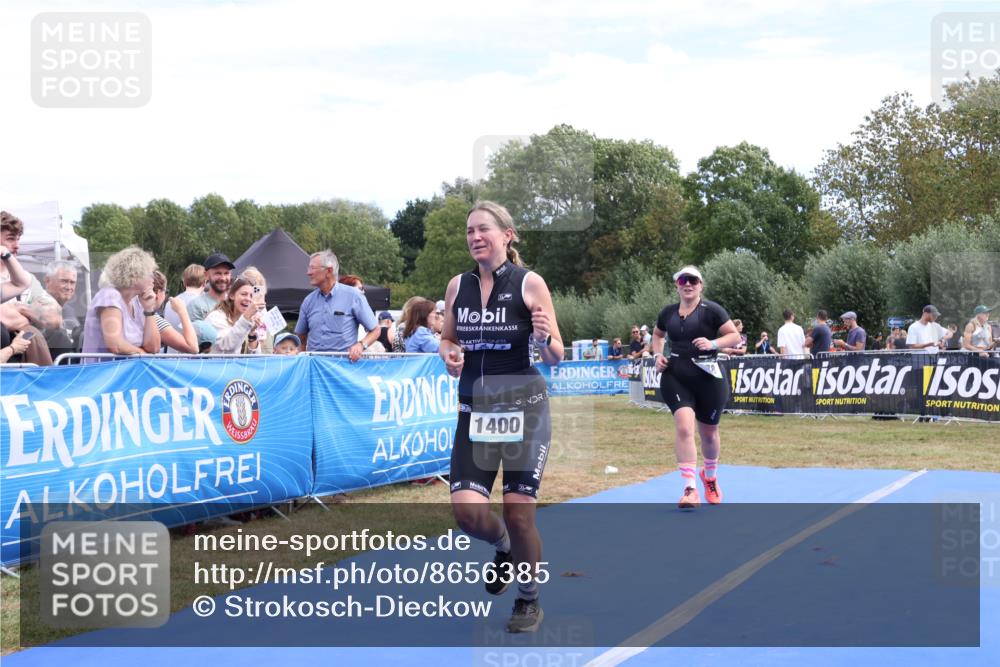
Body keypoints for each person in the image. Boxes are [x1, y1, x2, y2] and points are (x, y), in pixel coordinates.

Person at [439, 201, 563, 634]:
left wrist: (545, 338)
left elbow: (556, 355)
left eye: (483, 230)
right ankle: (504, 548)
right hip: (475, 412)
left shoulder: (530, 283)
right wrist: (450, 355)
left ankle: (528, 600)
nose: (474, 237)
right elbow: (448, 338)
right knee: (468, 513)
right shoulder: (458, 285)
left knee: (518, 511)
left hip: (524, 410)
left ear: (507, 235)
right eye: (469, 231)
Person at [651, 265, 741, 510]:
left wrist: (712, 342)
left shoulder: (712, 310)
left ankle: (709, 477)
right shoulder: (667, 312)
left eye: (693, 280)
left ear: (701, 285)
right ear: (677, 285)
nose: (687, 284)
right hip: (676, 375)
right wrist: (657, 355)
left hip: (708, 377)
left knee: (709, 433)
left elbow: (734, 336)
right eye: (683, 280)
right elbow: (657, 336)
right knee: (683, 427)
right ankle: (690, 488)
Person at [81, 247, 161, 362]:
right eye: (150, 273)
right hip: (102, 375)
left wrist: (149, 309)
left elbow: (154, 348)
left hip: (125, 373)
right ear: (134, 275)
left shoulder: (138, 302)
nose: (153, 279)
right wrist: (143, 355)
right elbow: (115, 344)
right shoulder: (109, 295)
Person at [295, 250, 379, 360]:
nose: (308, 272)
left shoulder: (354, 296)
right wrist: (302, 360)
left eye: (312, 268)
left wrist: (361, 345)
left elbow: (376, 330)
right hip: (315, 368)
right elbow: (301, 336)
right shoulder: (308, 300)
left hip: (342, 368)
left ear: (329, 271)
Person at [203, 278, 266, 354]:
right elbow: (227, 347)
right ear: (232, 295)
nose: (248, 299)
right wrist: (246, 317)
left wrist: (252, 334)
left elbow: (255, 360)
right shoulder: (216, 317)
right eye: (244, 294)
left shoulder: (248, 320)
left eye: (251, 296)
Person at [151, 271, 198, 353]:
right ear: (158, 293)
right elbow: (192, 348)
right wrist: (182, 311)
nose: (165, 296)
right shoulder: (152, 319)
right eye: (166, 292)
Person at [186, 253, 235, 323]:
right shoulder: (196, 306)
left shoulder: (235, 303)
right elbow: (190, 333)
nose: (223, 278)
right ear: (206, 275)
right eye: (218, 273)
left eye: (226, 273)